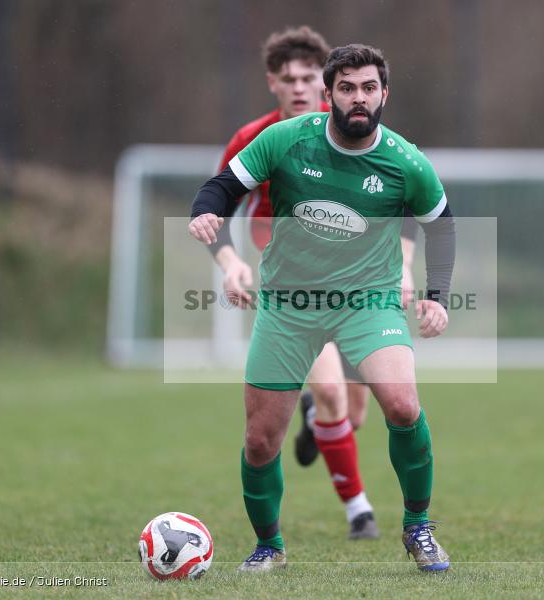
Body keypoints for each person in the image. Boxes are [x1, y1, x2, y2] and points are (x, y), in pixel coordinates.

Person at [189, 43, 455, 572]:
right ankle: (269, 547)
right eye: (347, 88)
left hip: (368, 302)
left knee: (402, 406)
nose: (359, 98)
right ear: (328, 94)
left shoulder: (406, 161)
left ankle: (418, 527)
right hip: (288, 305)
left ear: (384, 94)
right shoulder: (285, 140)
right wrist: (207, 216)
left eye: (369, 88)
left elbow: (441, 226)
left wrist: (437, 296)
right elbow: (220, 189)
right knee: (260, 440)